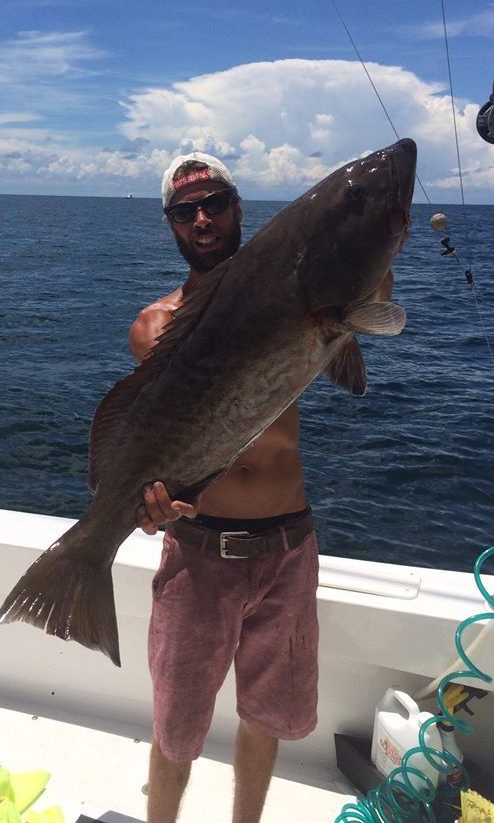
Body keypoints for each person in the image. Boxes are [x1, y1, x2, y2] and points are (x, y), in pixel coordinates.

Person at [128, 152, 320, 823]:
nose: (203, 219)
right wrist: (151, 504)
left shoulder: (297, 298)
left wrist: (381, 239)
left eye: (215, 203)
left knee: (266, 716)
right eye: (186, 211)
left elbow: (366, 301)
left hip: (288, 547)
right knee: (175, 727)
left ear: (239, 208)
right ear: (171, 224)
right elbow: (155, 441)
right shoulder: (153, 329)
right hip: (199, 554)